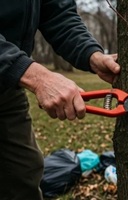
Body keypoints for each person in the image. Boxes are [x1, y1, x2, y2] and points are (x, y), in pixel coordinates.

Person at [0, 0, 120, 199]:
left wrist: (92, 54)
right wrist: (34, 75)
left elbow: (58, 15)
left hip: (6, 88)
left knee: (23, 175)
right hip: (11, 72)